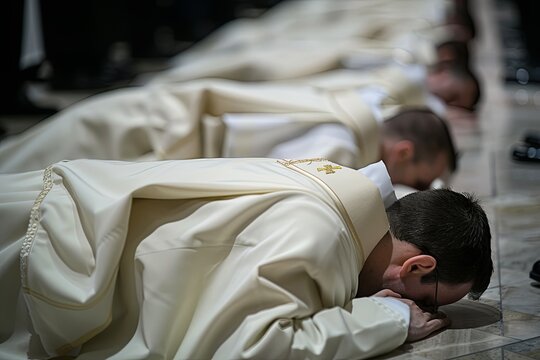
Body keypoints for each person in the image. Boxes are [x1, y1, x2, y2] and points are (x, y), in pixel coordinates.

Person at [0, 157, 493, 359]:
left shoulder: (338, 191)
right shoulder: (318, 231)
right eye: (428, 300)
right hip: (33, 263)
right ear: (416, 267)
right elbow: (247, 348)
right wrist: (387, 317)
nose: (422, 310)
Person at [0, 76, 456, 191]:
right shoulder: (337, 145)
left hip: (157, 116)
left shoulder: (354, 116)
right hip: (150, 132)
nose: (413, 187)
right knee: (17, 171)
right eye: (418, 177)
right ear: (402, 151)